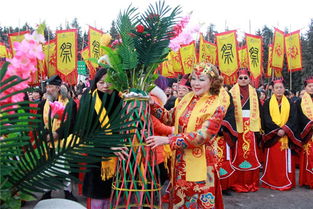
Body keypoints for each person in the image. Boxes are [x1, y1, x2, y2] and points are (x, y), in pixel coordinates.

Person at [147, 63, 225, 209]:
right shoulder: (188, 98)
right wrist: (152, 104)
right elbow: (170, 118)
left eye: (201, 79)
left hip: (201, 162)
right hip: (180, 161)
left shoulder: (217, 105)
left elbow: (202, 136)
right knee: (179, 198)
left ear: (212, 81)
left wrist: (167, 140)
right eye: (193, 79)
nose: (195, 83)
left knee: (197, 200)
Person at [82, 68, 128, 209]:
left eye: (109, 82)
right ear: (95, 83)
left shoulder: (123, 99)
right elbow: (86, 132)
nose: (105, 86)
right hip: (98, 156)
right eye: (101, 82)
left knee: (119, 196)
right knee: (100, 197)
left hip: (122, 154)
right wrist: (109, 146)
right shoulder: (89, 100)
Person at [39, 75, 78, 201]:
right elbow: (39, 122)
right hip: (47, 141)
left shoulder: (69, 104)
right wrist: (45, 135)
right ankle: (46, 192)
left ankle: (68, 192)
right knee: (47, 168)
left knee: (64, 168)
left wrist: (57, 133)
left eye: (51, 87)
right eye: (47, 87)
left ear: (58, 88)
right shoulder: (42, 104)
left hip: (63, 141)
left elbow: (71, 122)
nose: (48, 90)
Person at [261, 78, 302, 191]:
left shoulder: (290, 103)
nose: (279, 90)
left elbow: (293, 119)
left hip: (286, 136)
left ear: (284, 89)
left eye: (281, 87)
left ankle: (285, 181)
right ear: (272, 90)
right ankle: (271, 181)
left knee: (284, 161)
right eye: (276, 88)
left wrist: (284, 129)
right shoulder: (267, 103)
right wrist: (276, 130)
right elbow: (266, 119)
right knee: (273, 161)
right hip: (273, 136)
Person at [229, 68, 262, 192]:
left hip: (251, 126)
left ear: (249, 79)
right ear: (237, 79)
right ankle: (237, 182)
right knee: (237, 153)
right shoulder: (231, 93)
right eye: (240, 78)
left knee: (251, 153)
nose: (243, 80)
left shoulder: (255, 93)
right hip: (237, 126)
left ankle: (251, 182)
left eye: (245, 78)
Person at [297, 76, 313, 189]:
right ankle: (308, 181)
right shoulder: (300, 102)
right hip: (308, 133)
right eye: (310, 86)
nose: (312, 88)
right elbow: (300, 117)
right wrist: (309, 124)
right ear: (305, 88)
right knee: (309, 156)